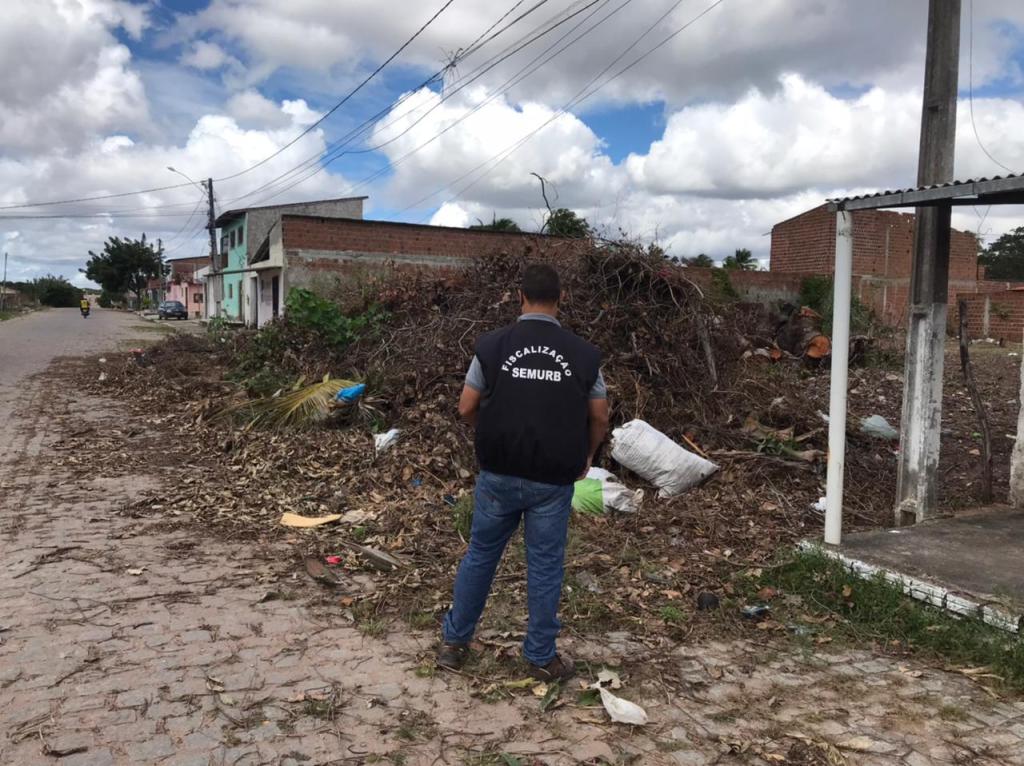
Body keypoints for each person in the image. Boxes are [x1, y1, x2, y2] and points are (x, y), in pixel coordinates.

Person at [437, 263, 610, 681]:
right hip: (552, 481)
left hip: (497, 474)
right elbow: (600, 417)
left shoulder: (493, 346)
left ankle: (454, 644)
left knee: (481, 555)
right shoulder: (584, 355)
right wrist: (587, 454)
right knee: (546, 565)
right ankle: (539, 657)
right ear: (561, 298)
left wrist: (494, 432)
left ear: (520, 296)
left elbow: (465, 407)